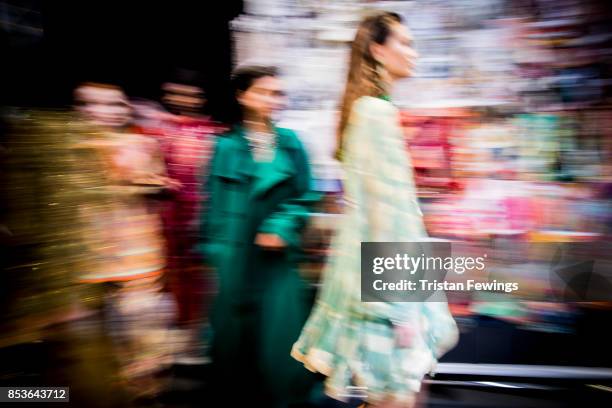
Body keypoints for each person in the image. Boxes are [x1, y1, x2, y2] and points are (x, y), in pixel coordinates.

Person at [291, 12, 459, 408]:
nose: (413, 53)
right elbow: (385, 213)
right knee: (398, 395)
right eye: (405, 42)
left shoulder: (369, 108)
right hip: (391, 275)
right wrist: (398, 307)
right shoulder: (377, 113)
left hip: (389, 269)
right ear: (377, 49)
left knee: (400, 392)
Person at [200, 65, 319, 406]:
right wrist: (212, 252)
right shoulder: (224, 146)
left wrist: (281, 226)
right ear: (242, 96)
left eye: (277, 93)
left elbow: (306, 196)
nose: (271, 99)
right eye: (263, 91)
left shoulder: (292, 143)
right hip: (233, 260)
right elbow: (211, 205)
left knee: (278, 344)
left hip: (276, 260)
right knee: (233, 348)